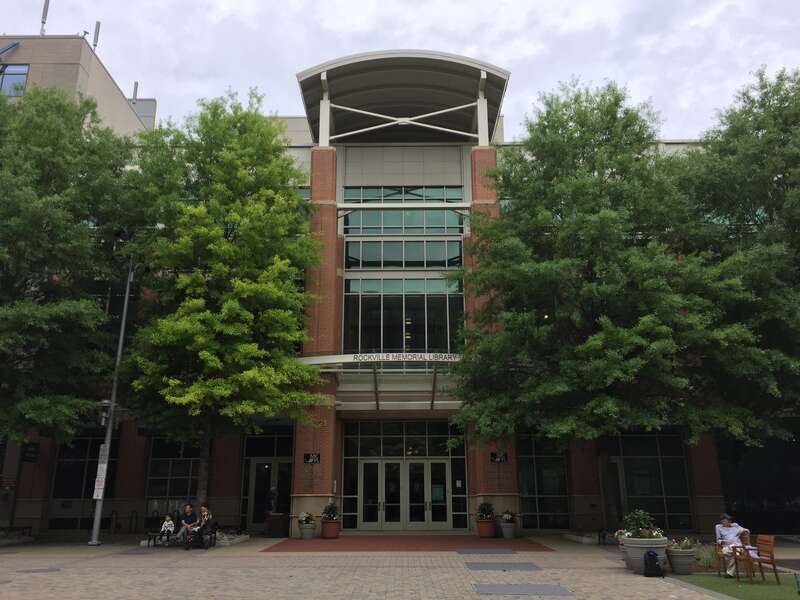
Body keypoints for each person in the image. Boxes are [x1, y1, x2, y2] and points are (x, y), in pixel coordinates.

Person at [716, 513, 749, 577]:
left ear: (729, 521)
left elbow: (747, 530)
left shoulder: (735, 526)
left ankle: (729, 573)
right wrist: (724, 541)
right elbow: (718, 540)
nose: (724, 522)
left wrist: (742, 532)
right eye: (723, 521)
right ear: (721, 521)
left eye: (726, 520)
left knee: (734, 551)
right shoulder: (718, 527)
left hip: (737, 545)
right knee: (735, 554)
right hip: (726, 546)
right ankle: (730, 572)